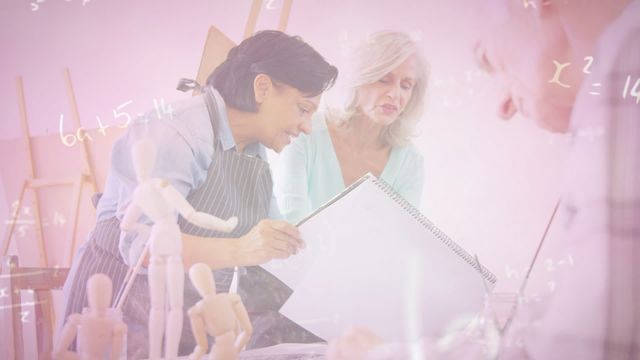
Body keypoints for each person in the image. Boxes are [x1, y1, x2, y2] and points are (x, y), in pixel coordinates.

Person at [330, 1, 640, 359]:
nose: (503, 106)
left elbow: (582, 350)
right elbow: (558, 329)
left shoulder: (626, 55)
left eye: (488, 61)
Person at [60, 30, 338, 358]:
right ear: (262, 87)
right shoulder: (177, 133)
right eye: (303, 109)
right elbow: (146, 250)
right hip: (118, 305)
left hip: (183, 314)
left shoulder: (254, 154)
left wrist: (312, 250)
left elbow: (273, 242)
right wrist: (241, 250)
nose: (307, 127)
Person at [274, 30, 428, 224]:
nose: (395, 94)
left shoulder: (410, 163)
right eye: (384, 80)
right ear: (359, 79)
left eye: (406, 86)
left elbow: (399, 239)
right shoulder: (306, 132)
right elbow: (291, 220)